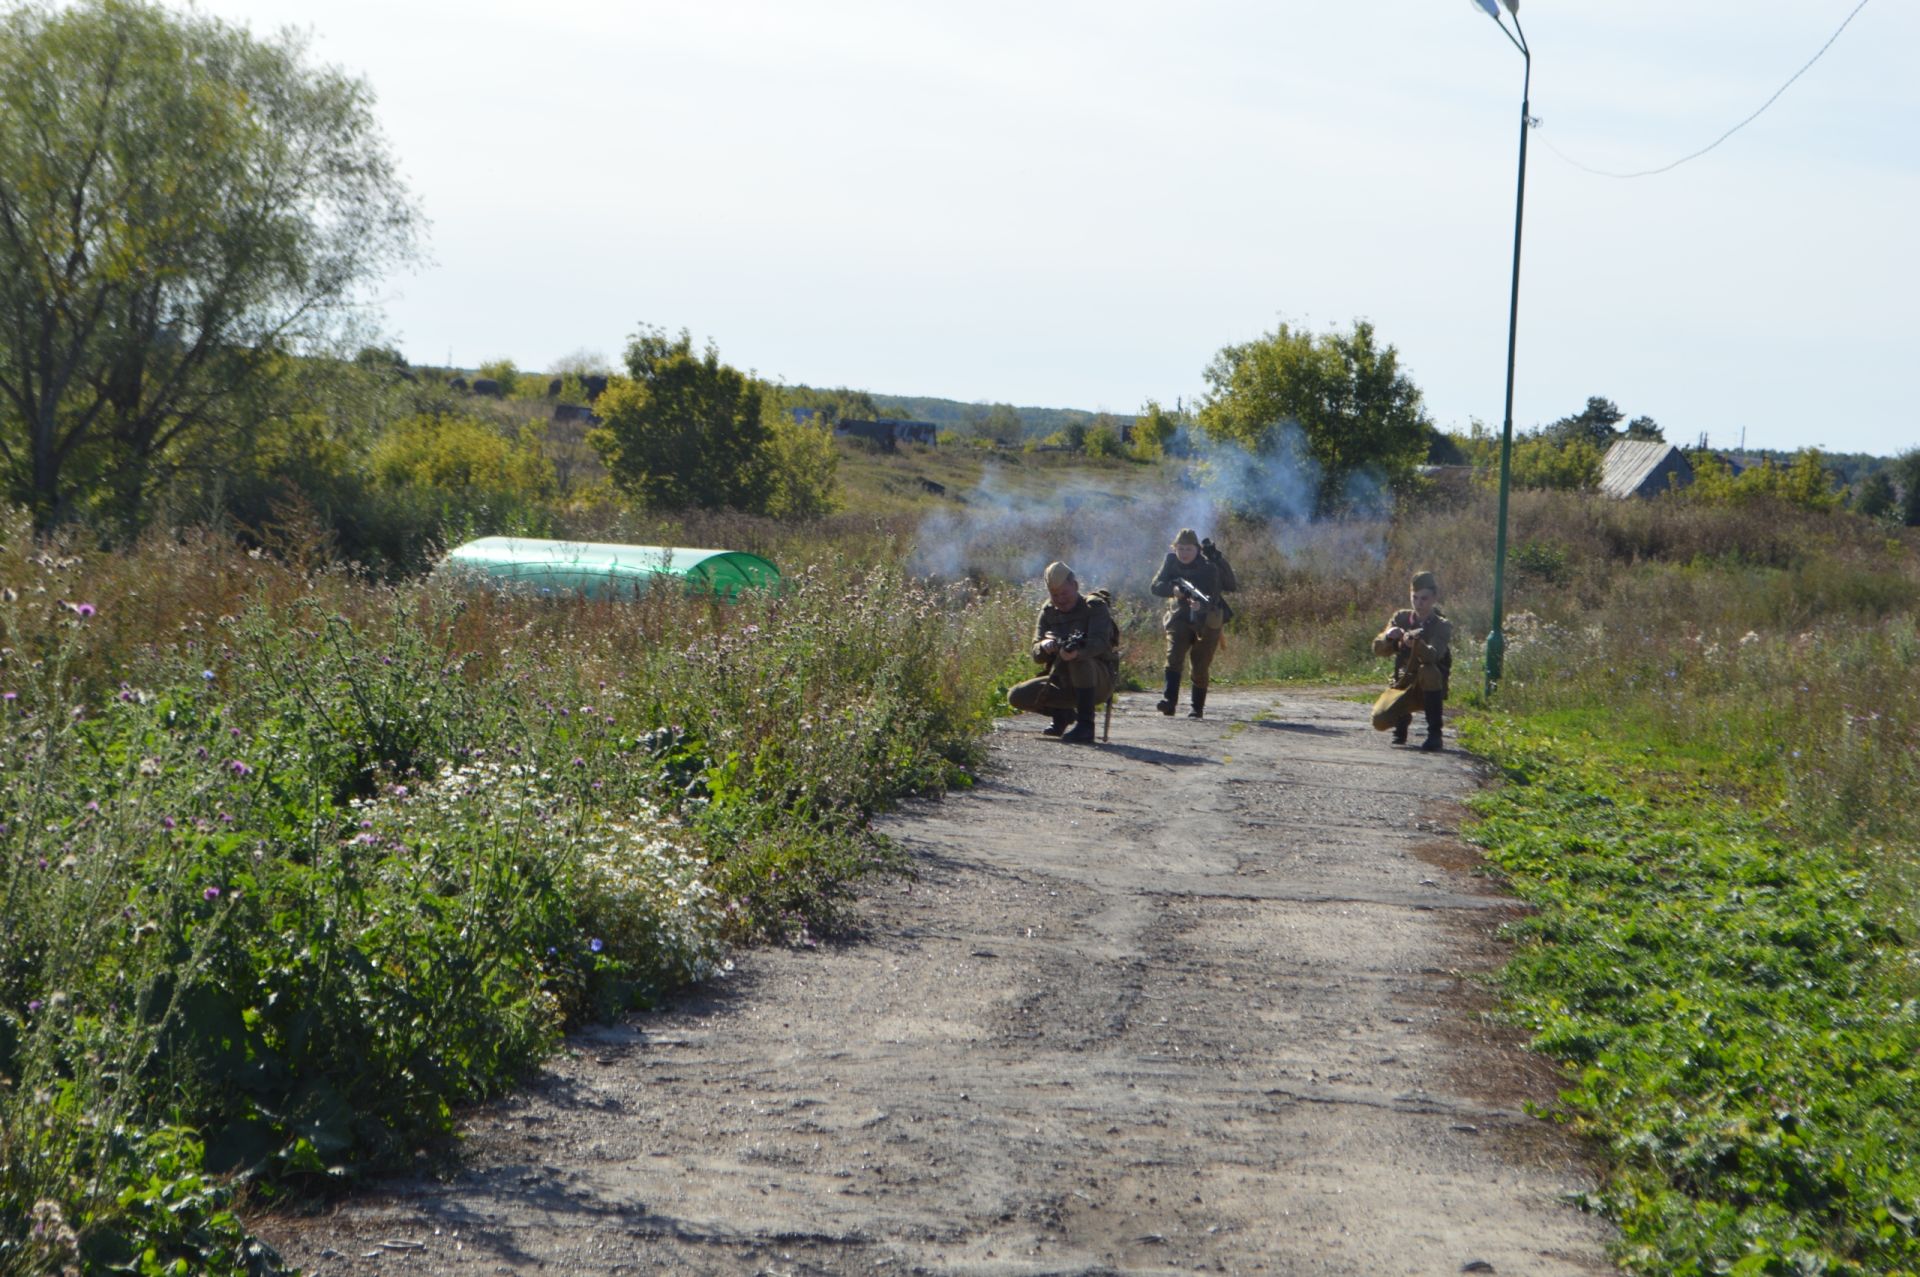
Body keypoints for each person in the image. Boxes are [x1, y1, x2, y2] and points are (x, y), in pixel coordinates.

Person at [1007, 561, 1118, 744]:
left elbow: (1100, 643)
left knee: (1079, 660)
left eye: (1064, 593)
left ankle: (1085, 726)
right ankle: (1063, 715)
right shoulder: (1048, 611)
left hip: (1098, 682)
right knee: (1017, 695)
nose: (1060, 599)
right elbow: (1036, 653)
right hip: (1062, 680)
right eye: (1054, 595)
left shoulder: (1094, 607)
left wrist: (1077, 653)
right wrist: (1044, 645)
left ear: (1075, 586)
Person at [1149, 528, 1228, 719]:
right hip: (1180, 617)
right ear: (1174, 548)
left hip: (1207, 620)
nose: (1184, 553)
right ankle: (1169, 702)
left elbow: (1214, 596)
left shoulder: (1209, 567)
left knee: (1200, 666)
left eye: (1189, 549)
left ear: (1198, 550)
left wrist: (1199, 605)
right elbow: (1155, 586)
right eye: (1180, 548)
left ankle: (1196, 707)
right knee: (1173, 656)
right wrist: (1173, 590)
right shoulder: (1170, 561)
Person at [1372, 570, 1453, 751]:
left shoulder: (1442, 626)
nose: (1418, 604)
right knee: (1379, 721)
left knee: (1428, 670)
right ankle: (1401, 724)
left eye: (1424, 598)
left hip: (1430, 688)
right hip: (1404, 683)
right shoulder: (1401, 618)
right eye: (1414, 597)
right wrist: (1389, 638)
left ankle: (1434, 734)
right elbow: (1377, 649)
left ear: (1434, 598)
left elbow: (1433, 655)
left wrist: (1416, 643)